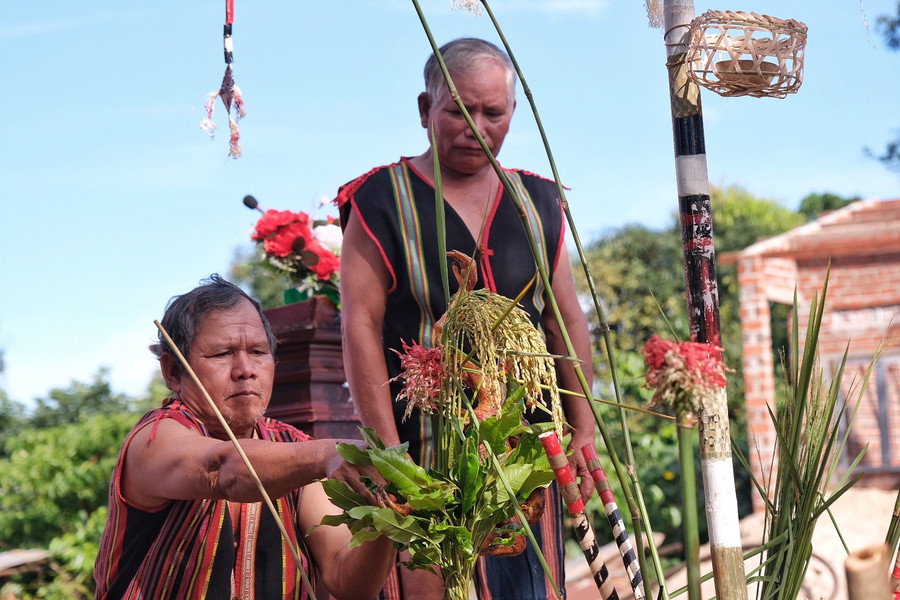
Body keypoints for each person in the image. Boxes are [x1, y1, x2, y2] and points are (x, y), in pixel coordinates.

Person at [337, 37, 596, 600]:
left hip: (526, 453)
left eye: (492, 112)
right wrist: (388, 455)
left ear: (510, 114)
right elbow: (359, 325)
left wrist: (583, 425)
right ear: (426, 110)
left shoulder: (538, 200)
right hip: (422, 450)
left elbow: (565, 320)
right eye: (458, 109)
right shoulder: (382, 199)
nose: (476, 126)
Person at [93, 275, 396, 600]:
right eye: (222, 354)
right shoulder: (155, 437)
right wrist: (326, 456)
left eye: (257, 352)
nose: (245, 369)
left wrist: (387, 509)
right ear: (172, 371)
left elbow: (348, 580)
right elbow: (220, 468)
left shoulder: (296, 448)